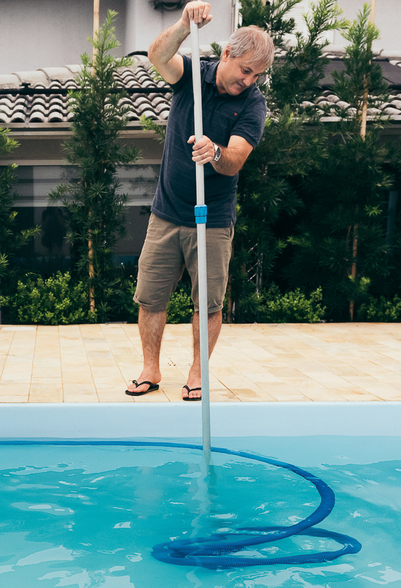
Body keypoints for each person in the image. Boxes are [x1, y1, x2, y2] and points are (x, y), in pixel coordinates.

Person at [126, 2, 273, 400]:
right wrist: (183, 24)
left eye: (256, 75)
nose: (249, 80)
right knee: (151, 296)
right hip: (167, 211)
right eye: (245, 70)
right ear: (227, 53)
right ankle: (150, 369)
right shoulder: (192, 76)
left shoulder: (253, 104)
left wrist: (216, 152)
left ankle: (197, 372)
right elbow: (158, 56)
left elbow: (236, 159)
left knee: (207, 303)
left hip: (213, 219)